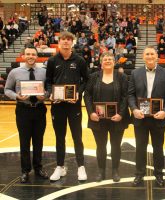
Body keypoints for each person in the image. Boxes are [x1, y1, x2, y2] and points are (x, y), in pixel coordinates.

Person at [128, 46, 165, 187]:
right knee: (140, 148)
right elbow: (130, 94)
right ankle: (139, 174)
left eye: (152, 54)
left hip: (158, 118)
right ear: (143, 57)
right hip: (140, 117)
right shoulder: (135, 73)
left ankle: (158, 175)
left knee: (158, 148)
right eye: (147, 54)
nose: (149, 56)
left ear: (156, 57)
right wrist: (134, 109)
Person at [46, 31, 88, 181]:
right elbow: (48, 81)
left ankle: (81, 167)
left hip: (73, 105)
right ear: (59, 42)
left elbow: (86, 81)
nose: (65, 42)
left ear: (72, 42)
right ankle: (60, 167)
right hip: (57, 105)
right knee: (59, 137)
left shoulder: (80, 60)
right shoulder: (52, 61)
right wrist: (50, 93)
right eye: (63, 39)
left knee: (77, 137)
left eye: (68, 40)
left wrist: (78, 94)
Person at [84, 52, 130, 182]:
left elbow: (125, 96)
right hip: (98, 119)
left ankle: (115, 170)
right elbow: (87, 95)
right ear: (101, 62)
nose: (108, 61)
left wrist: (121, 114)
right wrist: (91, 112)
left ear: (114, 62)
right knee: (101, 146)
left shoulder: (122, 77)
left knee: (116, 145)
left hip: (117, 119)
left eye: (110, 59)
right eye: (105, 59)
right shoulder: (94, 77)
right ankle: (101, 171)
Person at [4, 46, 48, 183]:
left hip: (39, 109)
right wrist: (17, 96)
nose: (30, 56)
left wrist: (45, 96)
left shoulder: (44, 72)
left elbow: (49, 89)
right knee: (24, 142)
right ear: (23, 56)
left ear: (37, 56)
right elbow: (7, 90)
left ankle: (39, 168)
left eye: (33, 54)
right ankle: (25, 171)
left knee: (38, 141)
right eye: (28, 54)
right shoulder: (14, 72)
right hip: (23, 110)